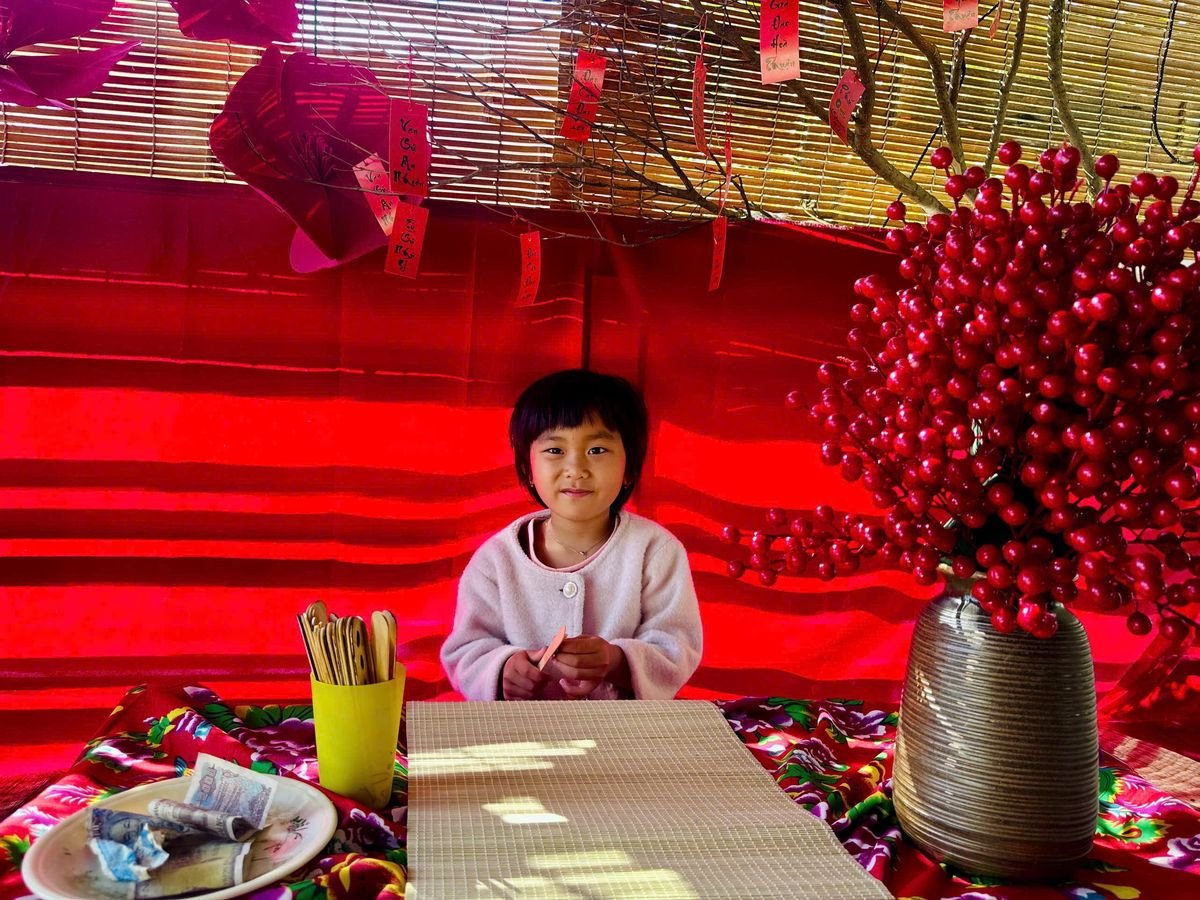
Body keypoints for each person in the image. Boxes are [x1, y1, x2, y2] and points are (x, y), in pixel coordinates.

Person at [440, 368, 703, 701]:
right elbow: (466, 649)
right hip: (520, 729)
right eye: (555, 450)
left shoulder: (656, 550)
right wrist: (502, 669)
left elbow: (677, 645)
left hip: (625, 729)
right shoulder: (496, 559)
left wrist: (616, 660)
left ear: (629, 468)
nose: (576, 469)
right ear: (528, 469)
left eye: (597, 450)